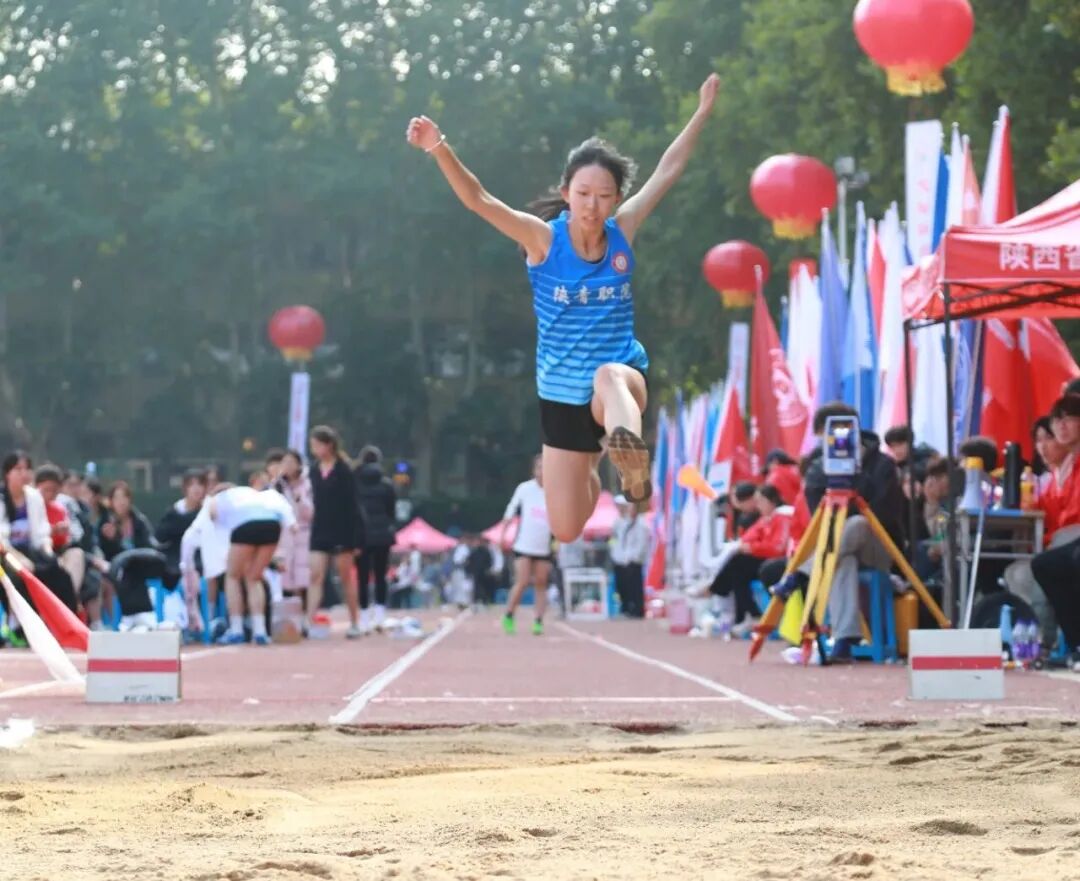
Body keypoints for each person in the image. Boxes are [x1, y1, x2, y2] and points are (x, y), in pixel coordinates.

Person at [407, 73, 721, 542]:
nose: (593, 206)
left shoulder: (624, 230)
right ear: (566, 192)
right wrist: (439, 147)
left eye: (604, 195)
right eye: (583, 193)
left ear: (616, 198)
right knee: (567, 529)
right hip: (560, 395)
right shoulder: (541, 240)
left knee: (609, 375)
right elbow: (479, 199)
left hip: (617, 384)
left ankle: (630, 460)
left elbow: (668, 170)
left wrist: (700, 114)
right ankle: (596, 473)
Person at [182, 485, 296, 645]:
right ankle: (260, 630)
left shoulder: (218, 498)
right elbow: (292, 524)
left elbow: (212, 513)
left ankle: (236, 630)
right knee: (254, 578)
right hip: (272, 525)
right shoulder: (261, 495)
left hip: (246, 525)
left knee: (233, 576)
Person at [708, 484, 790, 636]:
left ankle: (717, 591)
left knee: (739, 564)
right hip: (766, 558)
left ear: (771, 501)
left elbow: (778, 548)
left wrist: (752, 548)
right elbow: (747, 538)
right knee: (737, 567)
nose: (758, 505)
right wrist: (748, 546)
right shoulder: (767, 518)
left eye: (760, 501)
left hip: (780, 560)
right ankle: (749, 614)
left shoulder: (783, 516)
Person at [308, 426, 361, 637]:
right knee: (316, 575)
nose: (314, 450)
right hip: (320, 528)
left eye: (317, 445)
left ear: (328, 445)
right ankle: (308, 620)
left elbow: (353, 505)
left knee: (345, 576)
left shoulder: (344, 470)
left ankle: (355, 622)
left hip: (342, 529)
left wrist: (356, 538)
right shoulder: (313, 470)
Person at [500, 454, 553, 635]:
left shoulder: (554, 490)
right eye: (539, 467)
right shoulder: (525, 489)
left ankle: (538, 621)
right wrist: (503, 534)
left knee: (541, 583)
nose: (542, 471)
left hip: (543, 546)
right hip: (524, 545)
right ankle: (509, 614)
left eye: (546, 467)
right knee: (521, 582)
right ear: (534, 470)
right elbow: (511, 510)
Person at [353, 445, 397, 633]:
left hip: (360, 534)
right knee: (381, 575)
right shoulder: (387, 485)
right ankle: (380, 615)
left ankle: (363, 617)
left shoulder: (354, 483)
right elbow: (391, 511)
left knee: (362, 576)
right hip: (382, 535)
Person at [274, 449, 313, 599]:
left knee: (304, 578)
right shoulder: (277, 486)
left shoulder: (308, 485)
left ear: (299, 465)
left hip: (304, 535)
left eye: (291, 462)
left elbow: (311, 514)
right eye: (285, 462)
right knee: (285, 578)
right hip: (283, 537)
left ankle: (304, 615)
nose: (288, 466)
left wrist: (300, 500)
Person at [610, 494, 650, 618]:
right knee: (622, 587)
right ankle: (626, 608)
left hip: (634, 561)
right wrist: (616, 555)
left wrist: (634, 557)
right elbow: (615, 541)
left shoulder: (641, 524)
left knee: (635, 588)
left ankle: (637, 610)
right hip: (621, 560)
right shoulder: (619, 523)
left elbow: (642, 543)